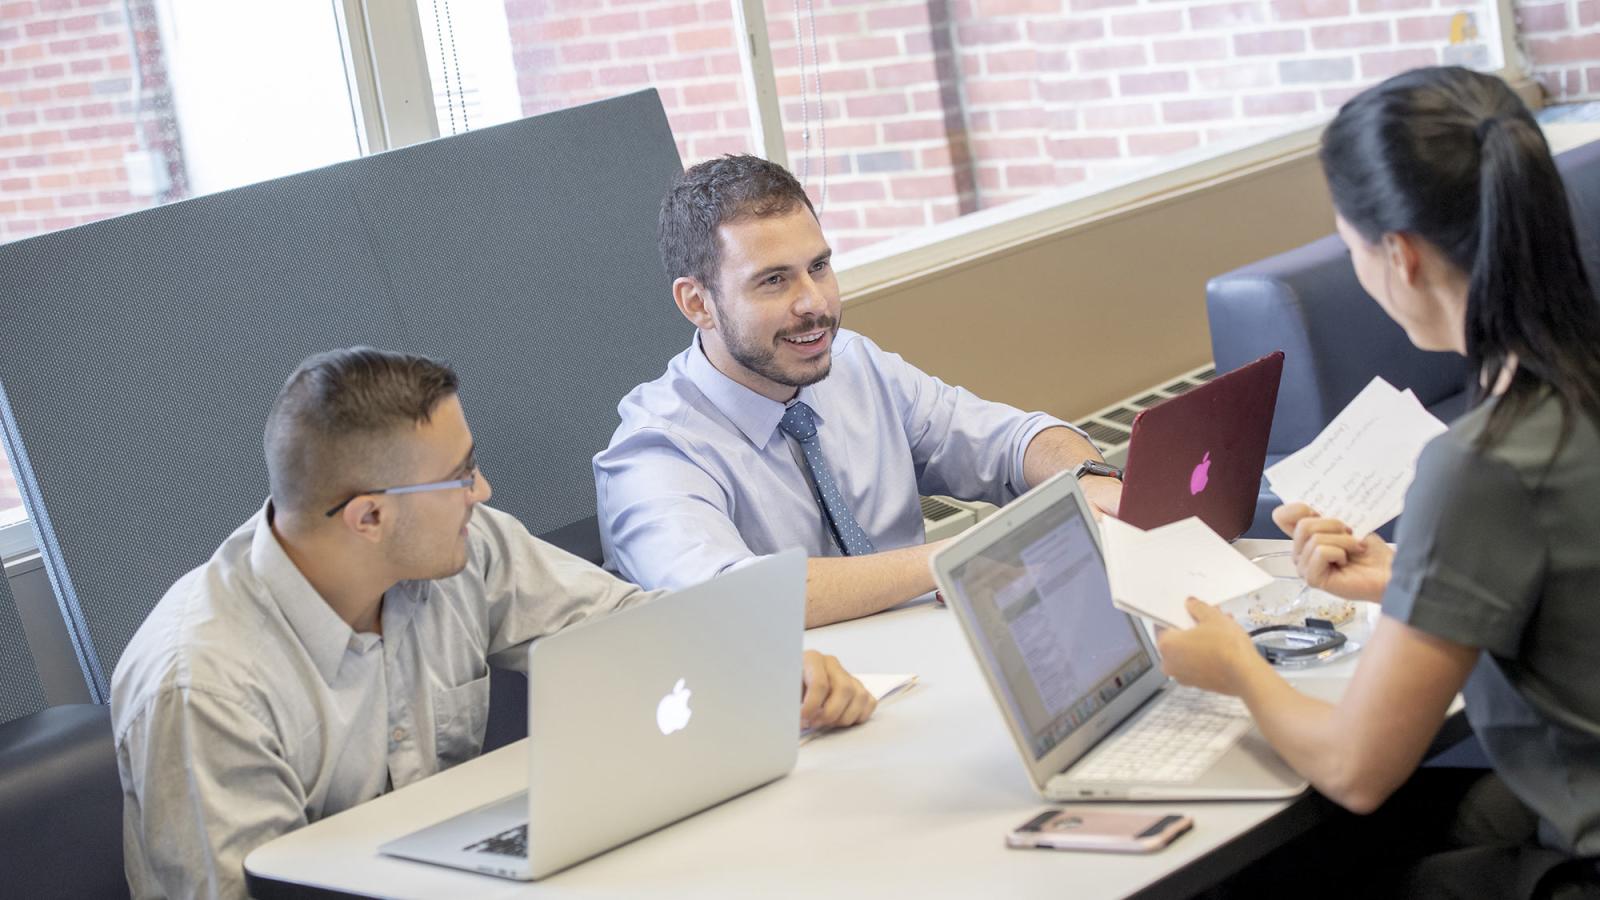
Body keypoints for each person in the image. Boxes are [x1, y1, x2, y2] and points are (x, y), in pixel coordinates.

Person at [111, 348, 875, 899]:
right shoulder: (203, 684)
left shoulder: (463, 549)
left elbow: (633, 632)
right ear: (370, 516)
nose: (483, 489)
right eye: (459, 475)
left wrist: (761, 663)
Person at [1157, 67, 1600, 898]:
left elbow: (1357, 771)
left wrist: (1235, 666)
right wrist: (1408, 580)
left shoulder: (1481, 462)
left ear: (1397, 254)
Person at [595, 155, 1122, 627]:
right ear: (697, 303)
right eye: (774, 281)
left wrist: (1088, 477)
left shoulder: (854, 364)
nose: (814, 303)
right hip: (797, 708)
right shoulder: (653, 451)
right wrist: (962, 554)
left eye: (819, 267)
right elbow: (733, 598)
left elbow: (1010, 440)